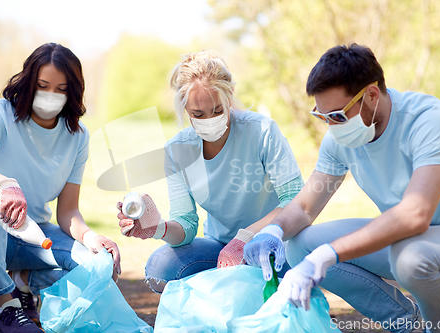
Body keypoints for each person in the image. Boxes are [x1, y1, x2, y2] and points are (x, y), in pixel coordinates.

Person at [244, 43, 440, 333]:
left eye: (336, 116)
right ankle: (407, 324)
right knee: (301, 245)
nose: (331, 127)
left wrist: (329, 254)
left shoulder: (429, 121)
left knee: (411, 257)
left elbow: (415, 215)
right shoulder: (341, 139)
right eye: (322, 117)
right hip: (409, 239)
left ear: (371, 95)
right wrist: (274, 230)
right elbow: (306, 206)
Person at [0, 43, 121, 333]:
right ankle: (6, 306)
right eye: (43, 85)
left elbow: (69, 210)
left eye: (61, 89)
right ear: (28, 82)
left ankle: (25, 281)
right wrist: (5, 184)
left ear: (72, 91)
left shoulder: (78, 136)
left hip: (35, 237)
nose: (51, 95)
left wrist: (90, 237)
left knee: (99, 266)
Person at [116, 50, 304, 293]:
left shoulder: (262, 131)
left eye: (217, 110)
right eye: (198, 114)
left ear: (229, 97)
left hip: (275, 243)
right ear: (185, 110)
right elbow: (186, 226)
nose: (210, 120)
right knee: (160, 267)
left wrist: (246, 238)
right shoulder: (178, 150)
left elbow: (295, 198)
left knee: (267, 289)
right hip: (221, 247)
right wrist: (158, 227)